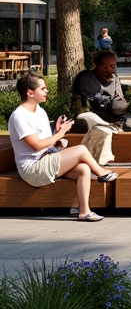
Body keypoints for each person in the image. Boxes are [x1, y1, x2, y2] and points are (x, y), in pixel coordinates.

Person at [8, 73, 115, 222]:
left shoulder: (40, 111)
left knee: (83, 169)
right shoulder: (19, 116)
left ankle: (84, 211)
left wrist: (57, 135)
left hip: (46, 159)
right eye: (43, 88)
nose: (46, 91)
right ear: (30, 92)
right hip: (33, 169)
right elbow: (37, 145)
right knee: (81, 150)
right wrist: (61, 133)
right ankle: (101, 173)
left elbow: (47, 142)